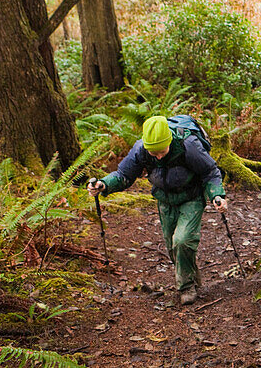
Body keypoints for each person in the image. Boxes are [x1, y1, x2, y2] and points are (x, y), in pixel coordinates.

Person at [87, 115, 227, 305]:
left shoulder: (189, 144)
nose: (159, 156)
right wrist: (104, 185)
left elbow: (210, 172)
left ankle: (186, 287)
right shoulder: (141, 149)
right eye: (154, 153)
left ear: (169, 141)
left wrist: (216, 195)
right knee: (172, 246)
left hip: (191, 197)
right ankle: (192, 279)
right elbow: (123, 175)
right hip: (165, 199)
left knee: (183, 240)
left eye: (162, 151)